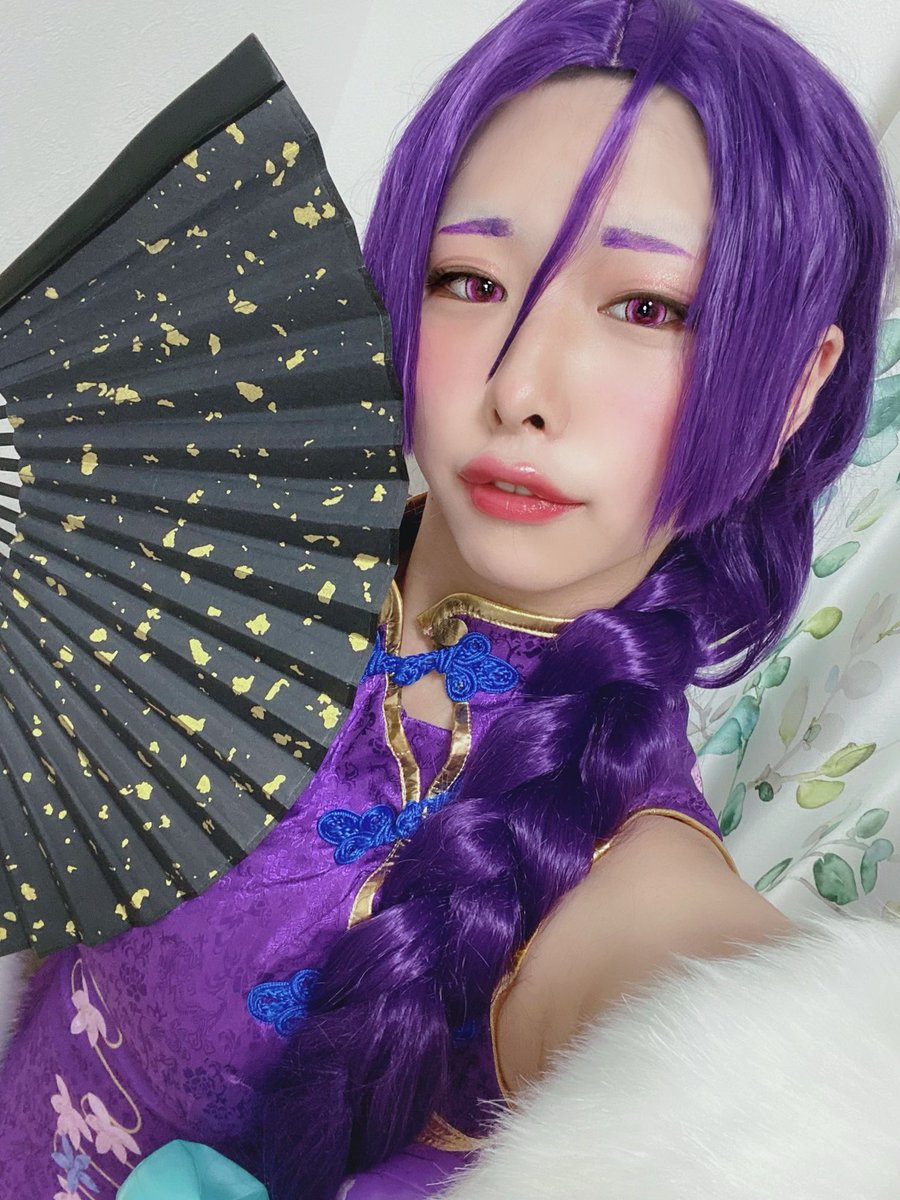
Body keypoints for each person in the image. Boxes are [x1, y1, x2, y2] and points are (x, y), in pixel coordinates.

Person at [0, 0, 894, 1197]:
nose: (522, 386)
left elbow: (769, 1075)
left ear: (795, 386)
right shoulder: (194, 544)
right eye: (469, 280)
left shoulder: (621, 872)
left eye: (646, 308)